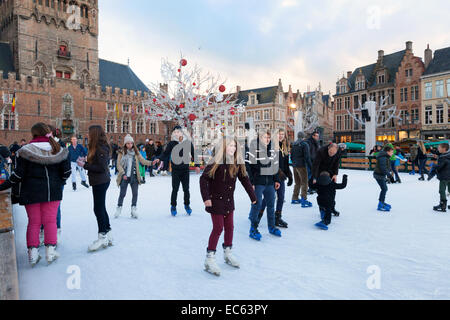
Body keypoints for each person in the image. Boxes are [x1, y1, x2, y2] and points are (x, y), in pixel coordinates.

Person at [0, 123, 71, 267]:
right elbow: (66, 172)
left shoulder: (25, 151)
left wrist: (3, 186)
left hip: (31, 191)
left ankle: (33, 255)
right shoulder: (59, 150)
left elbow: (18, 175)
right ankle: (50, 253)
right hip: (52, 191)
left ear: (33, 134)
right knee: (50, 221)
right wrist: (58, 182)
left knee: (34, 222)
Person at [200, 137, 257, 276]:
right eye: (230, 145)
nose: (233, 148)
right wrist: (206, 198)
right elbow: (204, 179)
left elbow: (245, 179)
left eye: (234, 146)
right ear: (223, 147)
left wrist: (253, 196)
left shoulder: (237, 162)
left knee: (230, 227)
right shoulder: (216, 161)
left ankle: (227, 253)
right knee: (218, 227)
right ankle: (209, 258)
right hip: (216, 201)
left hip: (228, 201)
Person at [76, 126, 113, 252]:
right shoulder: (98, 146)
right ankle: (108, 233)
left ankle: (102, 235)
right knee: (101, 207)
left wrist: (85, 165)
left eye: (89, 132)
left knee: (98, 208)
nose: (88, 134)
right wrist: (86, 161)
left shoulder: (100, 147)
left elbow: (101, 167)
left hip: (100, 181)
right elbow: (98, 162)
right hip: (99, 181)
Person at [153, 126, 200, 216]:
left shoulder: (187, 143)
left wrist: (197, 165)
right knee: (175, 189)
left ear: (182, 133)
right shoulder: (171, 143)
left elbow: (194, 154)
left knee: (186, 189)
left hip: (185, 170)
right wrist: (159, 159)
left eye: (178, 132)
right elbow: (165, 153)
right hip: (175, 170)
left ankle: (187, 205)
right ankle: (173, 206)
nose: (176, 133)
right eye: (175, 132)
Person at [246, 130, 281, 241]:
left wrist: (276, 180)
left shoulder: (271, 150)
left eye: (268, 138)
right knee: (257, 204)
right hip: (258, 182)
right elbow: (248, 167)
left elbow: (275, 165)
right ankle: (253, 228)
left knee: (271, 205)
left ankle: (271, 227)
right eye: (265, 137)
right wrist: (251, 182)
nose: (267, 140)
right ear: (260, 138)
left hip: (269, 182)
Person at [259, 129, 293, 228]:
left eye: (283, 134)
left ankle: (277, 217)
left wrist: (290, 175)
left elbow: (286, 164)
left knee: (281, 197)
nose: (281, 136)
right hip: (272, 176)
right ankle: (258, 214)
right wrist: (278, 172)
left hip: (281, 177)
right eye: (279, 134)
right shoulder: (271, 146)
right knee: (269, 197)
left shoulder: (285, 147)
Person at [115, 135, 152, 219]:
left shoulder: (136, 152)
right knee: (122, 194)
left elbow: (143, 161)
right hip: (124, 176)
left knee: (135, 194)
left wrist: (152, 163)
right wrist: (123, 174)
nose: (129, 145)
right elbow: (118, 165)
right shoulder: (121, 153)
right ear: (125, 144)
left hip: (134, 176)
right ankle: (119, 208)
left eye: (131, 143)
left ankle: (133, 209)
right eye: (127, 143)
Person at [312, 143, 341, 215]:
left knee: (332, 192)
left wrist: (335, 174)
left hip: (330, 172)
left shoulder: (338, 151)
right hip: (321, 172)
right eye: (331, 152)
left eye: (334, 153)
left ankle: (332, 208)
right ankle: (322, 209)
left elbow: (336, 163)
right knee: (322, 193)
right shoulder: (320, 151)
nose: (332, 154)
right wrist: (315, 177)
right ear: (328, 148)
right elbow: (316, 165)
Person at [291, 132, 313, 207]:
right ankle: (304, 199)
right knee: (304, 182)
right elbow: (307, 157)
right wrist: (311, 167)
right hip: (302, 166)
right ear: (303, 137)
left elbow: (291, 156)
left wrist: (294, 163)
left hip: (294, 166)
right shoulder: (304, 144)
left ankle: (294, 198)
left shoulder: (294, 144)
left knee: (297, 183)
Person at [373, 145, 395, 212]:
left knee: (384, 188)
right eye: (391, 152)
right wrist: (390, 176)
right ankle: (380, 204)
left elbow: (387, 166)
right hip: (379, 175)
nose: (392, 153)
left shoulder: (386, 157)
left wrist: (390, 170)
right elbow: (383, 168)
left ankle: (382, 202)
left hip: (380, 175)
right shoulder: (383, 157)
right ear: (387, 151)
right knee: (384, 188)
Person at [432, 143, 450, 212]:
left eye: (439, 148)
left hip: (444, 176)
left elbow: (439, 167)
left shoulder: (442, 157)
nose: (438, 149)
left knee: (442, 190)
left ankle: (443, 205)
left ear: (444, 149)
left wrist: (434, 166)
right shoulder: (447, 155)